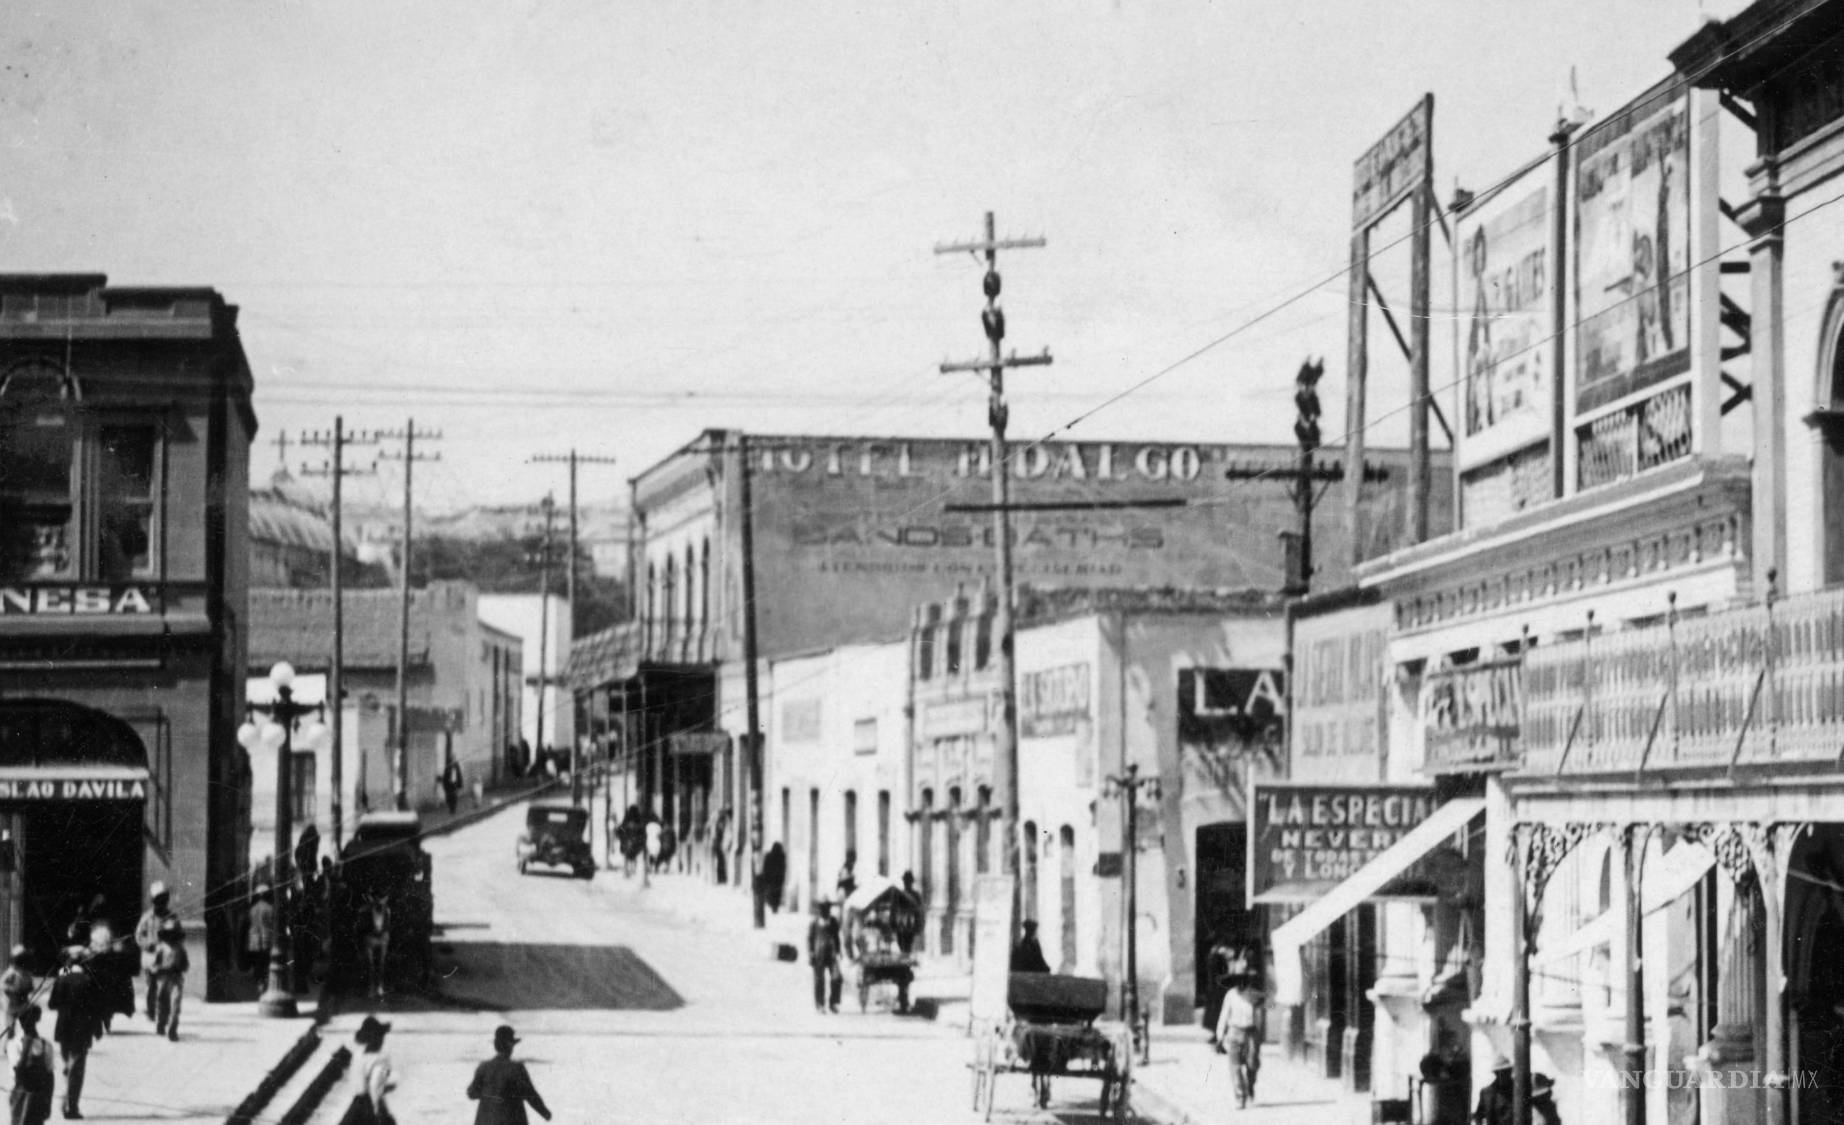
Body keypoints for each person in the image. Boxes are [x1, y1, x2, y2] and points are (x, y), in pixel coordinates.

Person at [48, 953, 102, 1121]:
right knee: (76, 1069)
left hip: (64, 1028)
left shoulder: (62, 979)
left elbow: (52, 1004)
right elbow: (96, 1008)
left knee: (68, 1066)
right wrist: (97, 1028)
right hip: (82, 1029)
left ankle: (66, 1099)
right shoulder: (89, 981)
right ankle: (71, 1105)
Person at [466, 1023, 552, 1125]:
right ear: (510, 1045)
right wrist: (545, 1113)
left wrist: (491, 1095)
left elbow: (471, 1093)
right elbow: (530, 1094)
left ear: (496, 1045)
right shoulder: (516, 1068)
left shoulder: (483, 1067)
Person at [1214, 974, 1268, 1109]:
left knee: (1252, 1063)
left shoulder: (1253, 996)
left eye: (1243, 982)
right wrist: (1220, 1036)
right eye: (1238, 982)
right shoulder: (1231, 995)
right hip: (1234, 1031)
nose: (1240, 985)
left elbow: (1261, 1013)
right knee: (1235, 1066)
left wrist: (1259, 1034)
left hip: (1251, 1032)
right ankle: (1240, 1096)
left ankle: (1250, 1088)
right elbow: (1224, 1015)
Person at [132, 883, 176, 1022]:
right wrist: (147, 945)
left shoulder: (171, 917)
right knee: (150, 985)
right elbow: (139, 935)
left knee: (165, 985)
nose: (161, 903)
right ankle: (151, 1010)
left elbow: (177, 934)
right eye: (158, 900)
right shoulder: (147, 917)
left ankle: (163, 1011)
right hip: (150, 956)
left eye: (163, 900)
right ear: (153, 901)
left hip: (165, 956)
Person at [339, 1016, 393, 1125]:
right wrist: (377, 1110)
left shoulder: (358, 1055)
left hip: (355, 1104)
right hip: (369, 1105)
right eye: (380, 1036)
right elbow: (374, 1086)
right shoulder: (380, 1059)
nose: (382, 1039)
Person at [7, 1005, 52, 1125]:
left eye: (30, 1020)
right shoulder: (15, 1044)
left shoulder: (44, 1045)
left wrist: (48, 1102)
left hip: (35, 1096)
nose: (26, 1024)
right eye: (24, 1020)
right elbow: (18, 1074)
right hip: (24, 1095)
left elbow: (49, 1075)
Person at [150, 920, 188, 1042]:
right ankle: (161, 1023)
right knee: (162, 1002)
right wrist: (157, 969)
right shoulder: (161, 948)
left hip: (176, 979)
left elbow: (186, 965)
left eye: (174, 934)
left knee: (175, 1003)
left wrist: (180, 967)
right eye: (169, 933)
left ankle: (172, 1029)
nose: (171, 937)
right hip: (163, 978)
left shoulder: (180, 949)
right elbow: (154, 965)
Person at [807, 898, 843, 1014]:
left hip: (832, 953)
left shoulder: (833, 921)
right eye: (822, 908)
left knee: (836, 978)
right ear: (819, 909)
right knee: (819, 980)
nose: (825, 910)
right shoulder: (814, 923)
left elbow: (837, 938)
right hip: (819, 954)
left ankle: (833, 1003)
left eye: (827, 908)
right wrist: (810, 953)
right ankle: (820, 1004)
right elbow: (809, 939)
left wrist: (838, 952)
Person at [2, 948, 34, 1040]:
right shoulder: (11, 972)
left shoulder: (26, 974)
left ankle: (26, 1049)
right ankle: (7, 1049)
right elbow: (2, 985)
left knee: (28, 1028)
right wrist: (13, 989)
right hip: (11, 1005)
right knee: (10, 1029)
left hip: (23, 1005)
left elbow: (30, 987)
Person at [1472, 1055, 1514, 1125]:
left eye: (1506, 1071)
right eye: (1500, 1072)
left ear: (1510, 1071)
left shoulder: (1518, 1091)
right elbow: (1478, 1115)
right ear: (1496, 1073)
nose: (1503, 1075)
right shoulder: (1486, 1093)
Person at [246, 886, 275, 982]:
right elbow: (270, 922)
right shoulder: (269, 908)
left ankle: (257, 975)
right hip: (264, 934)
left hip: (254, 934)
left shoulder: (253, 908)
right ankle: (262, 976)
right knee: (264, 957)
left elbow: (250, 920)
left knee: (256, 956)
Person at [759, 843, 787, 913]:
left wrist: (765, 878)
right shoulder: (781, 856)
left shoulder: (769, 855)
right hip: (777, 879)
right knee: (776, 893)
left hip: (771, 878)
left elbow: (765, 867)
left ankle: (773, 906)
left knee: (772, 893)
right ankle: (775, 907)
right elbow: (783, 867)